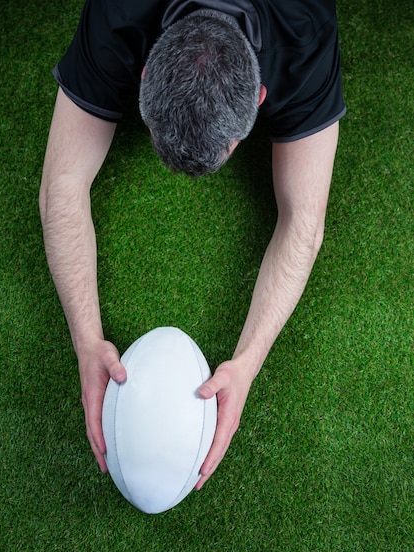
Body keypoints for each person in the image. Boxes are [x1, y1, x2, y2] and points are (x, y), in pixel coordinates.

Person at [39, 0, 346, 490]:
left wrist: (247, 366)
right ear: (144, 78)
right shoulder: (115, 12)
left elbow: (304, 223)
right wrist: (85, 340)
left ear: (260, 97)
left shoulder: (305, 30)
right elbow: (62, 188)